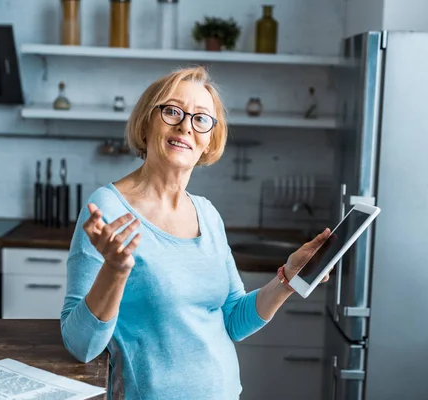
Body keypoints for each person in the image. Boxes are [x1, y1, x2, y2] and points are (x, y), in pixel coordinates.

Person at [60, 66, 332, 400]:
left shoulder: (207, 213)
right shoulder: (108, 208)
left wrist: (288, 279)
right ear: (147, 122)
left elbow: (233, 319)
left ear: (209, 142)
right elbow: (80, 345)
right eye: (172, 111)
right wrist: (115, 271)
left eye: (201, 118)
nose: (185, 126)